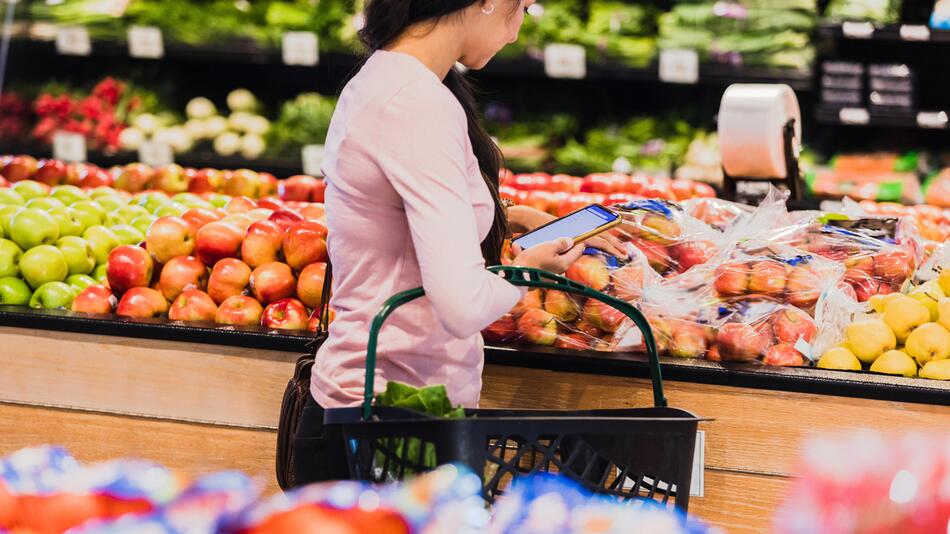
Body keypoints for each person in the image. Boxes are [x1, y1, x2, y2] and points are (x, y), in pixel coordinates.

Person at [292, 0, 624, 485]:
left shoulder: (386, 77)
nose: (515, 33)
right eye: (523, 10)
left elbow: (394, 218)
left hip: (380, 413)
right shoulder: (417, 103)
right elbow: (462, 304)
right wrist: (529, 269)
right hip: (388, 426)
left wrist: (500, 218)